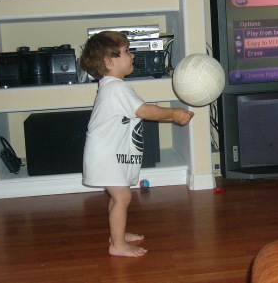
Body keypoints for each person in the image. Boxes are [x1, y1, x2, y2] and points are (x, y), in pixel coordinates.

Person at [81, 31, 194, 257]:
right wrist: (173, 113)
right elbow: (144, 111)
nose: (132, 55)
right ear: (108, 61)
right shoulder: (116, 88)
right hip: (104, 156)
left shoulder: (111, 86)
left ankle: (117, 235)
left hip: (106, 154)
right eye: (126, 52)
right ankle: (118, 245)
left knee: (118, 196)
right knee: (122, 197)